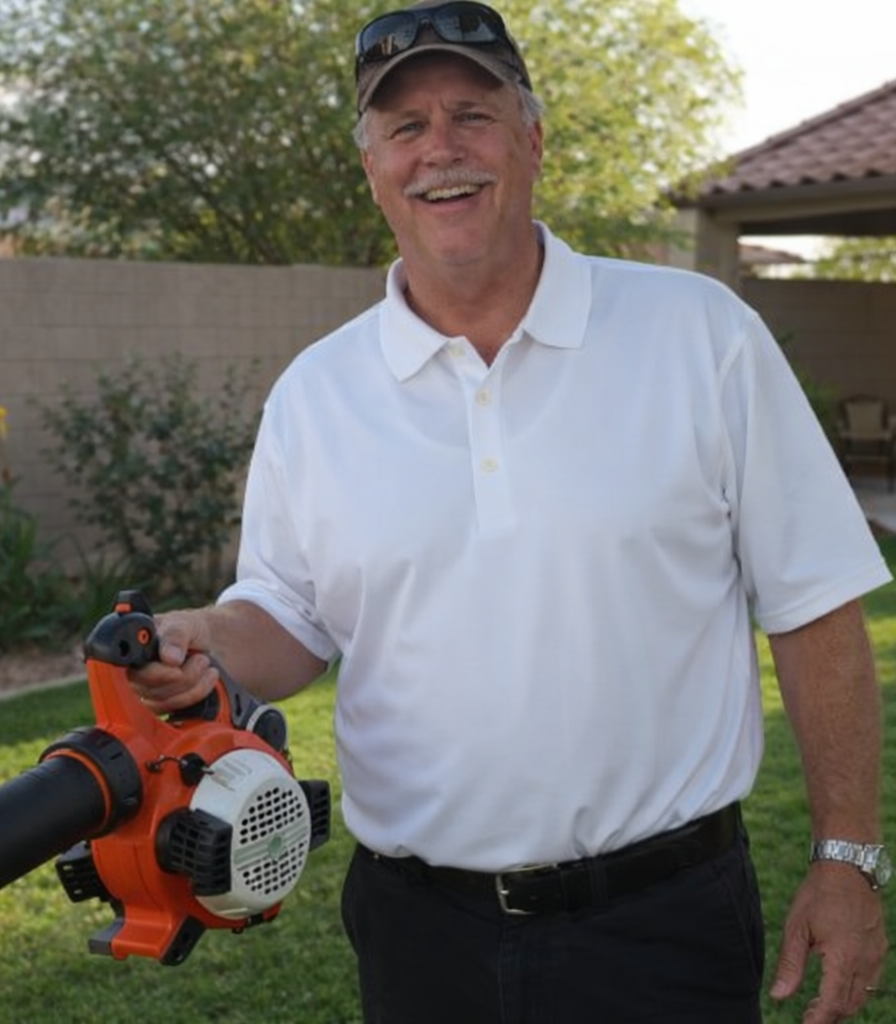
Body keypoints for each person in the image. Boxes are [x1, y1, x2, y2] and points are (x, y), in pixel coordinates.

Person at [129, 2, 891, 1021]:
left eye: (471, 115)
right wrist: (201, 641)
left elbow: (814, 602)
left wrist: (845, 857)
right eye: (403, 128)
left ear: (532, 140)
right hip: (419, 933)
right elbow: (289, 617)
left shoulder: (698, 335)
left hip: (664, 925)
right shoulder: (320, 393)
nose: (438, 150)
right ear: (373, 167)